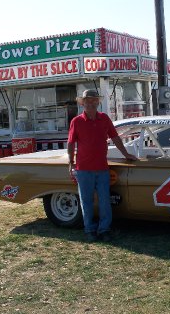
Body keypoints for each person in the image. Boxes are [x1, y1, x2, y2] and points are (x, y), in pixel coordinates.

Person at [67, 89, 137, 242]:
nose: (91, 103)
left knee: (105, 201)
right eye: (88, 101)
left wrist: (126, 154)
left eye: (94, 100)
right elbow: (71, 143)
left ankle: (104, 229)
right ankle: (89, 230)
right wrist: (71, 163)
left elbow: (115, 137)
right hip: (83, 169)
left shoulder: (104, 119)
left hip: (102, 169)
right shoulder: (76, 121)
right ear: (83, 103)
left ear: (98, 102)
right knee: (86, 201)